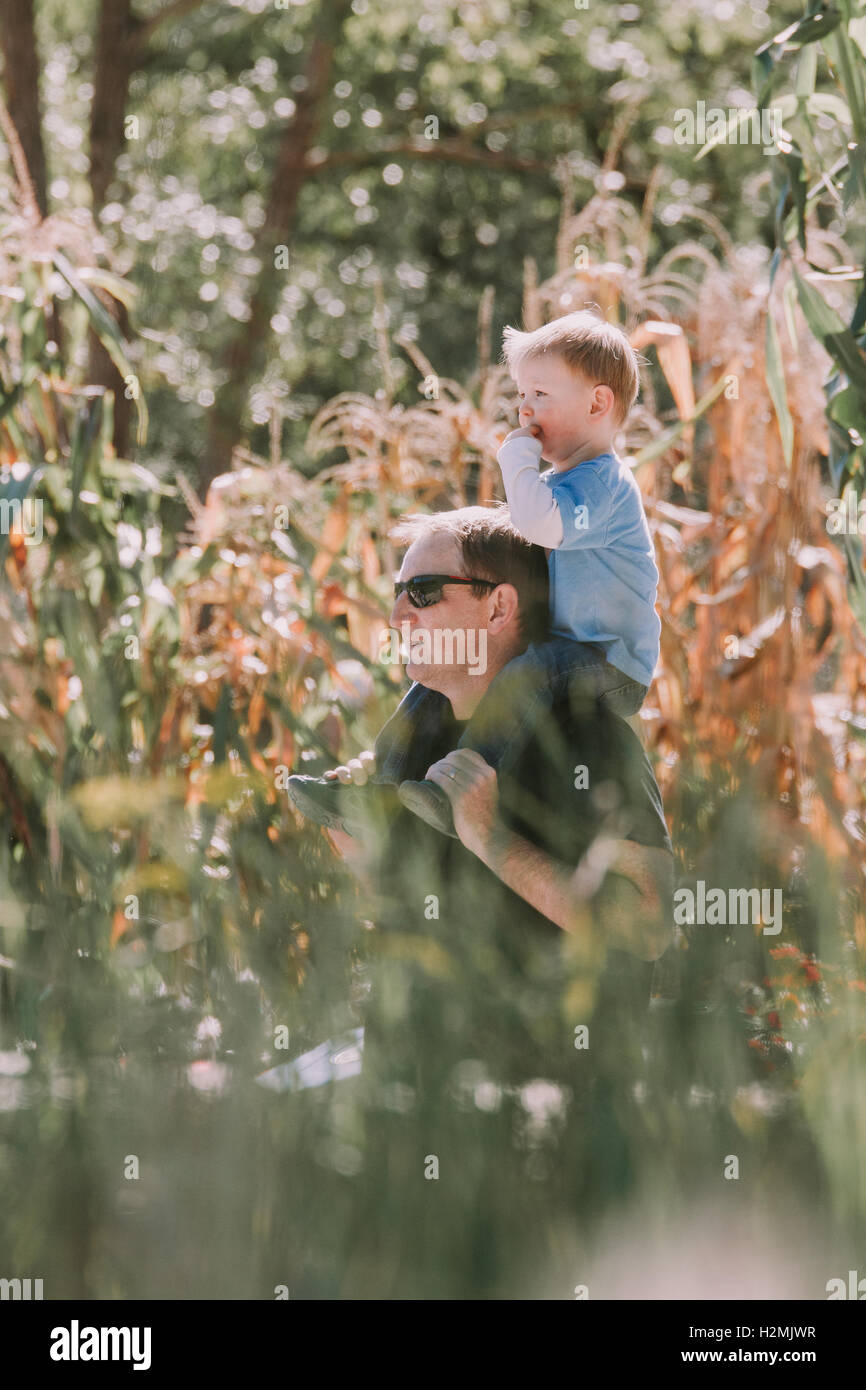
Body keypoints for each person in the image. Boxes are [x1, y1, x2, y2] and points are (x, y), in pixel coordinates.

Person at [293, 505, 673, 1297]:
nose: (397, 613)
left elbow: (648, 928)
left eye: (425, 591)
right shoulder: (417, 741)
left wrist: (493, 837)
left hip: (544, 1095)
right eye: (396, 592)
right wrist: (363, 849)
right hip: (418, 1078)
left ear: (500, 606)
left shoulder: (593, 741)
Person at [291, 309, 661, 838]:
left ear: (598, 403)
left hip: (609, 661)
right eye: (521, 397)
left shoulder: (604, 483)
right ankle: (378, 784)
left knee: (529, 674)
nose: (524, 411)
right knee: (430, 685)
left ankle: (455, 790)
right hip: (566, 649)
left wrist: (514, 457)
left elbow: (539, 525)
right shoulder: (568, 484)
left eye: (540, 395)